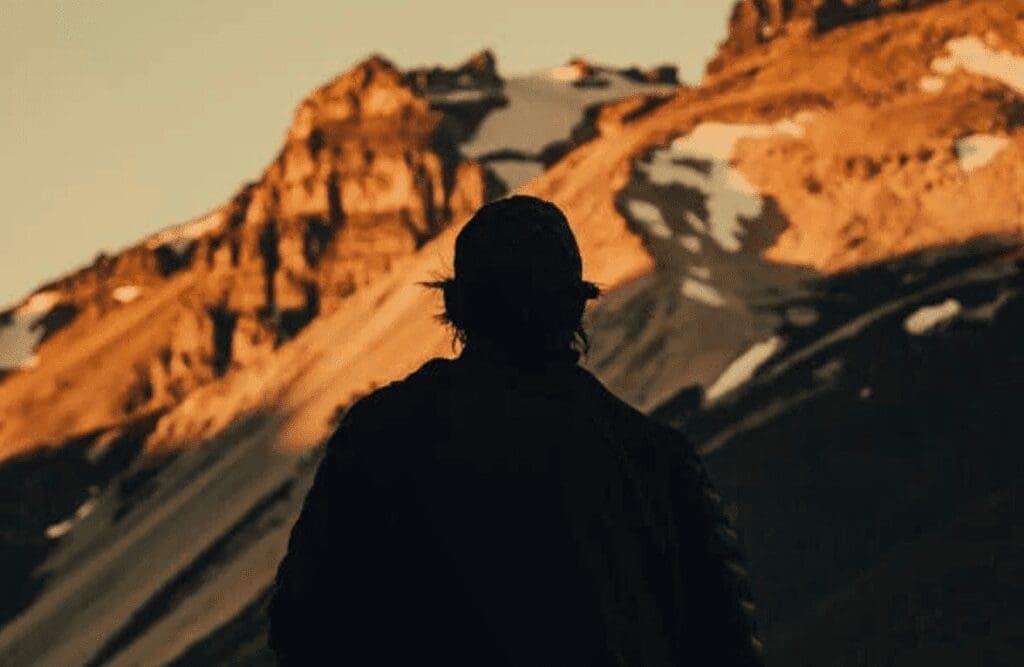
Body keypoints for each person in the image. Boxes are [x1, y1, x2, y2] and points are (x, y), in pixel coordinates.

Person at [267, 195, 764, 666]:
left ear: (457, 306)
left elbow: (302, 622)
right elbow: (725, 643)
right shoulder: (657, 458)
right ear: (575, 306)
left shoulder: (385, 433)